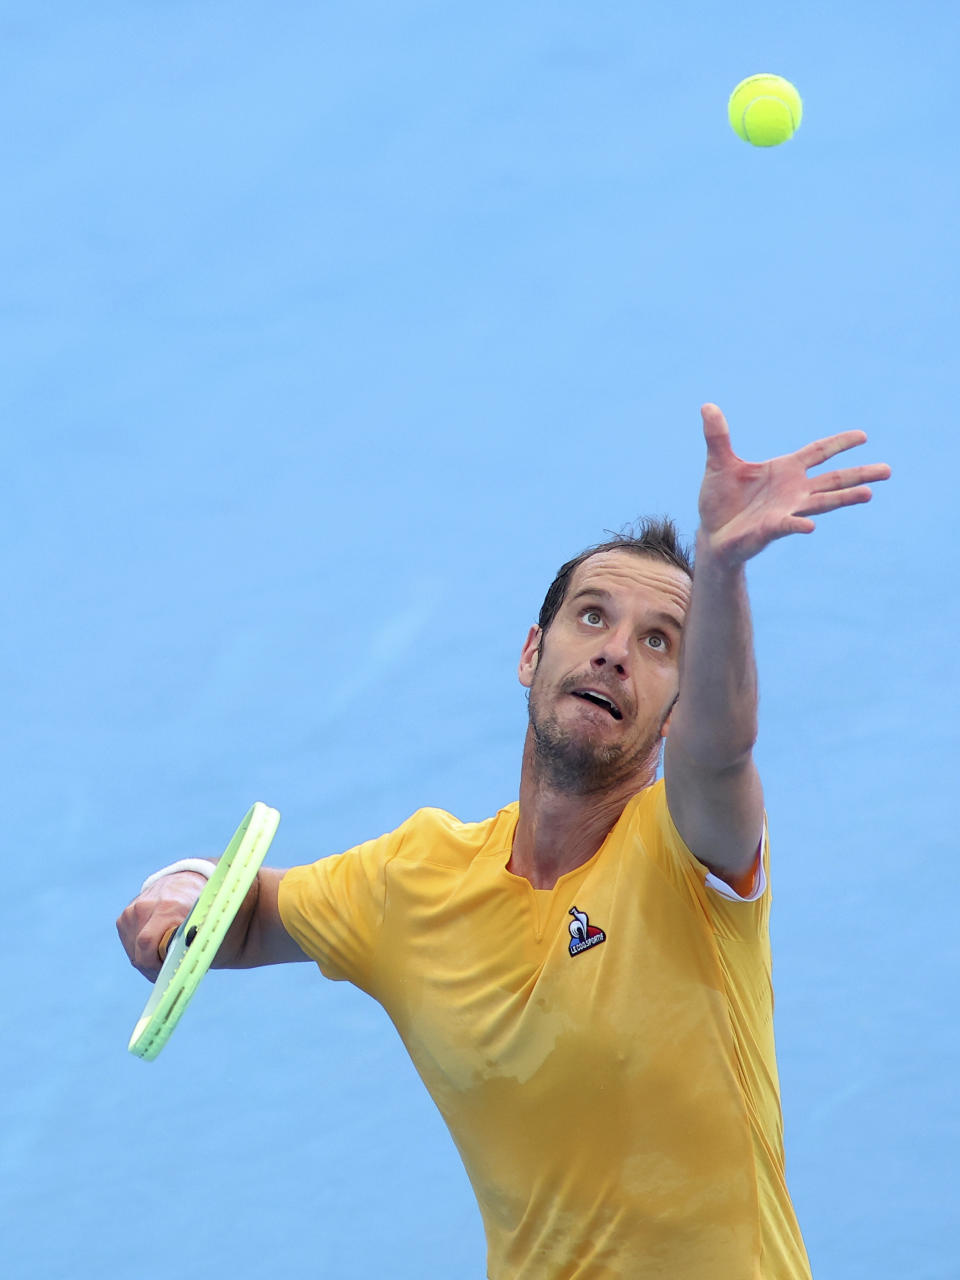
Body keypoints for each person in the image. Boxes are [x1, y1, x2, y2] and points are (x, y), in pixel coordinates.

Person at [118, 404, 890, 1279]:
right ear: (532, 652)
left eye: (659, 641)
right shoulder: (415, 880)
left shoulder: (690, 851)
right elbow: (246, 911)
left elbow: (724, 751)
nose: (614, 655)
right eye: (591, 618)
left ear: (678, 707)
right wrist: (178, 887)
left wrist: (720, 570)